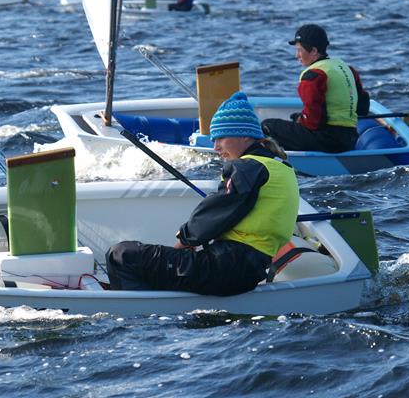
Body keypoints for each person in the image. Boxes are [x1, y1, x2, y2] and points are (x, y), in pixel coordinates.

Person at [106, 92, 300, 297]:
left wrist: (185, 241)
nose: (216, 147)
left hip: (225, 268)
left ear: (244, 135)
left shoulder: (247, 167)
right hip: (250, 270)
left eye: (220, 138)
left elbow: (218, 210)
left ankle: (138, 313)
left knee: (121, 255)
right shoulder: (282, 167)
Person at [260, 24, 370, 154]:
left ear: (313, 51)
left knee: (267, 125)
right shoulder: (346, 68)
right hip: (350, 138)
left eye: (299, 50)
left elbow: (314, 122)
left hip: (329, 141)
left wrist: (301, 120)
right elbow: (363, 107)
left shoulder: (314, 74)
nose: (297, 56)